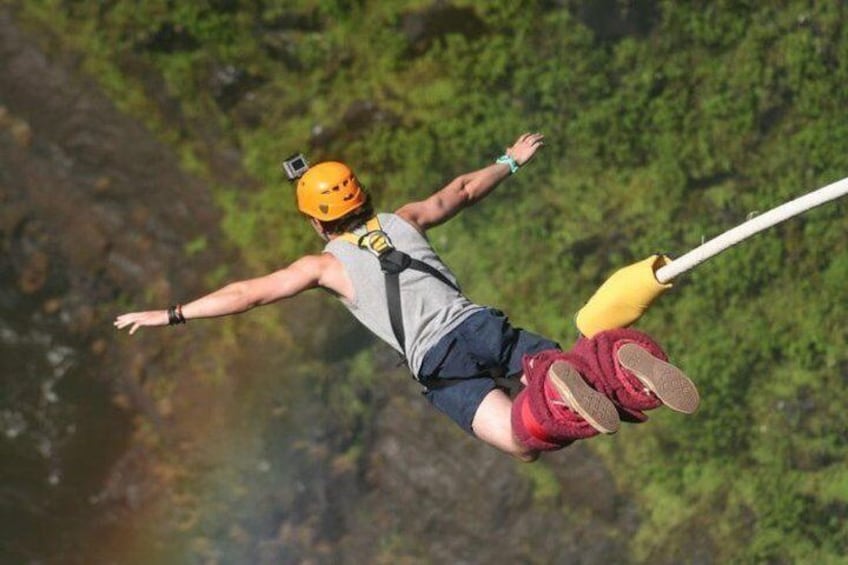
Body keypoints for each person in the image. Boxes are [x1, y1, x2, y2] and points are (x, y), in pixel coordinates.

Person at [114, 132, 699, 462]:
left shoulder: (321, 267)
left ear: (318, 225)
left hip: (439, 366)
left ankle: (559, 391)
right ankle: (613, 369)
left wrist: (171, 314)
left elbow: (247, 294)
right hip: (478, 325)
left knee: (523, 439)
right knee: (564, 369)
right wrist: (509, 161)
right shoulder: (405, 219)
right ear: (364, 200)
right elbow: (462, 190)